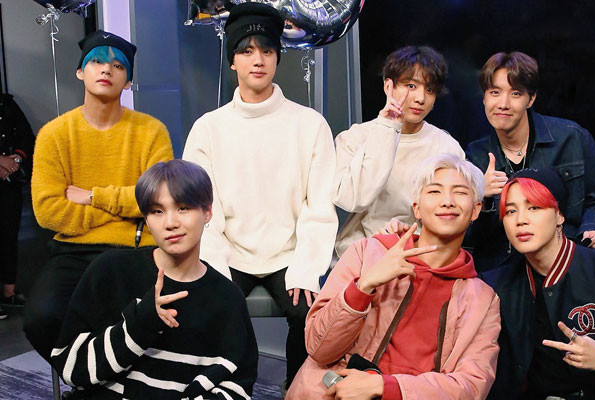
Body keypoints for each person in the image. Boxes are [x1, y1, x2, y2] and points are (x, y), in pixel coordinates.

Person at [182, 2, 337, 388]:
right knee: (210, 313)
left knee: (310, 316)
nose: (258, 60)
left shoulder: (310, 124)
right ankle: (229, 391)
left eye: (267, 50)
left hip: (290, 253)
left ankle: (297, 391)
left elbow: (319, 207)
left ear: (277, 57)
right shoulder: (208, 128)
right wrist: (214, 266)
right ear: (233, 60)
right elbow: (201, 211)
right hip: (229, 252)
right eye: (247, 50)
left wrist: (306, 266)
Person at [287, 154, 500, 400]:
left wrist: (385, 386)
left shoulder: (483, 300)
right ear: (416, 208)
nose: (447, 201)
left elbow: (471, 386)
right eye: (434, 191)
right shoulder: (367, 253)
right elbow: (319, 349)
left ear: (475, 210)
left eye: (460, 192)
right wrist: (363, 286)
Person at [51, 160, 257, 399]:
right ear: (146, 220)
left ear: (207, 212)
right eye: (157, 211)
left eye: (183, 208)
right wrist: (138, 327)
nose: (170, 223)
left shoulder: (228, 298)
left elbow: (237, 387)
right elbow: (70, 367)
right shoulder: (110, 270)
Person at [24, 30, 173, 361]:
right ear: (81, 71)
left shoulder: (152, 132)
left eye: (118, 66)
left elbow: (158, 202)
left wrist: (93, 196)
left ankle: (115, 378)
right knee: (40, 319)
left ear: (128, 81)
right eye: (97, 62)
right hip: (73, 251)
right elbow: (48, 212)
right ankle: (92, 379)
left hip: (137, 249)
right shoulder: (53, 135)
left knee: (146, 321)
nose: (107, 69)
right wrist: (125, 208)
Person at [481, 167, 595, 399]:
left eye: (534, 207)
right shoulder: (496, 285)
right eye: (510, 211)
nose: (521, 220)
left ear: (560, 215)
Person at [464, 51, 595, 271]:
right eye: (495, 92)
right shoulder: (475, 155)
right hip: (504, 270)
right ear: (485, 98)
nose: (503, 103)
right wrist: (482, 196)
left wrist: (594, 227)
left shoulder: (572, 137)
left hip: (568, 256)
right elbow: (470, 235)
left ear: (531, 99)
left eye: (515, 93)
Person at [333, 46, 464, 257]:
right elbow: (352, 200)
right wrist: (387, 128)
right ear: (388, 86)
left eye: (429, 90)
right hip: (361, 253)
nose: (420, 98)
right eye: (411, 86)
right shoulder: (355, 138)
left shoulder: (446, 147)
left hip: (423, 255)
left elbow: (452, 215)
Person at [0, 93, 35, 319]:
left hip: (8, 181)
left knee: (8, 235)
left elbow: (25, 134)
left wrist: (15, 160)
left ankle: (9, 292)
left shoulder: (5, 103)